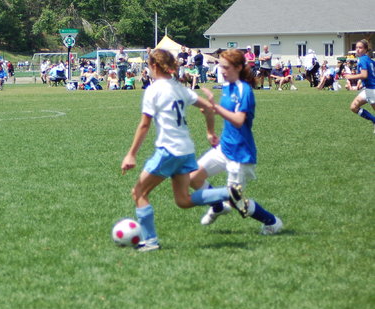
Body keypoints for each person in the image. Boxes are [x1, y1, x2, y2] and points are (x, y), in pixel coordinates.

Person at [120, 48, 247, 252]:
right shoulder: (180, 88)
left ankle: (150, 241)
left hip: (168, 150)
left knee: (139, 192)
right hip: (186, 150)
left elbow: (144, 125)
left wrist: (131, 154)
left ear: (154, 66)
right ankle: (227, 193)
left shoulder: (153, 89)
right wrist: (210, 132)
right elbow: (208, 108)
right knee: (183, 200)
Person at [189, 49, 283, 235]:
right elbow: (225, 113)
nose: (222, 71)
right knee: (193, 177)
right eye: (220, 66)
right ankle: (217, 207)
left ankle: (272, 222)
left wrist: (215, 107)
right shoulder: (227, 86)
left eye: (226, 67)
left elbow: (239, 120)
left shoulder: (244, 90)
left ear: (239, 67)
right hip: (224, 147)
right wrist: (211, 126)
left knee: (235, 200)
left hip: (241, 154)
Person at [344, 39, 375, 131]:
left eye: (360, 47)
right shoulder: (369, 59)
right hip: (368, 89)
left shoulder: (362, 60)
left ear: (365, 49)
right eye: (356, 47)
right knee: (354, 107)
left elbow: (364, 75)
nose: (357, 49)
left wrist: (350, 76)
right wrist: (362, 83)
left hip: (372, 90)